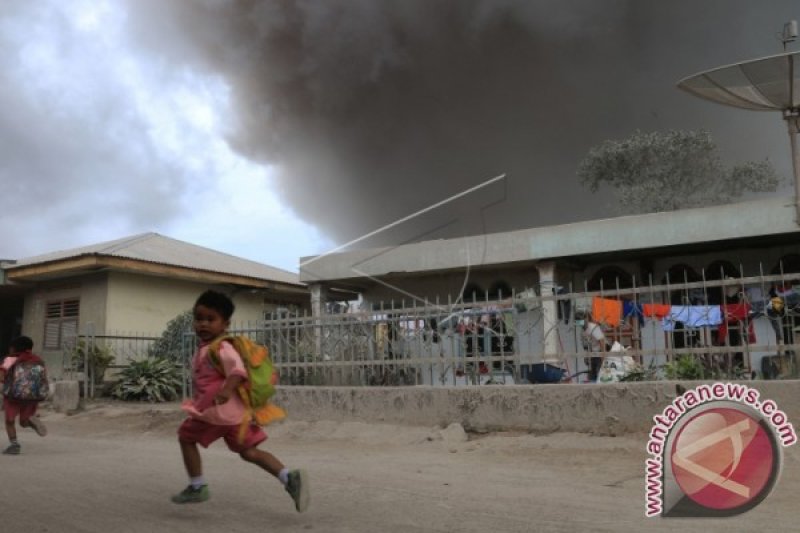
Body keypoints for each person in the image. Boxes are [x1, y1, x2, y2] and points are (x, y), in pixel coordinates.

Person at [172, 289, 309, 512]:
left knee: (186, 438)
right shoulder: (207, 348)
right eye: (199, 319)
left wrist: (226, 390)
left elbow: (237, 371)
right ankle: (288, 477)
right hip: (237, 417)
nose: (203, 324)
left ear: (225, 324)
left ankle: (197, 486)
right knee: (249, 452)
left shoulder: (221, 347)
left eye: (210, 319)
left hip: (214, 413)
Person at [1, 336, 48, 455]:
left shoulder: (10, 359)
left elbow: (1, 375)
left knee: (10, 421)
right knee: (23, 422)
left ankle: (14, 445)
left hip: (13, 396)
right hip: (31, 396)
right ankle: (31, 421)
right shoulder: (37, 360)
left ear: (13, 348)